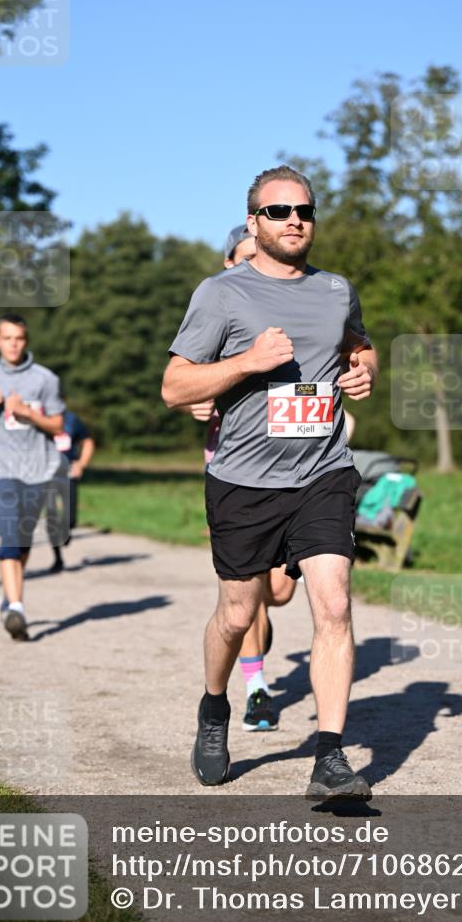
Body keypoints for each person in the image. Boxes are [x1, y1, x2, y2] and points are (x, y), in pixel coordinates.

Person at [162, 165, 378, 799]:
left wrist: (362, 372)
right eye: (279, 211)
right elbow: (175, 387)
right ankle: (213, 707)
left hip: (323, 469)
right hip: (243, 479)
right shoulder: (221, 293)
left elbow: (358, 346)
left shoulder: (336, 289)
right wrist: (248, 362)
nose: (294, 221)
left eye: (304, 212)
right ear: (253, 223)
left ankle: (330, 758)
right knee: (238, 612)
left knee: (333, 605)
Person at [191, 224, 296, 733]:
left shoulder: (291, 315)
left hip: (295, 473)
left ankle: (258, 637)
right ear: (230, 262)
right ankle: (255, 688)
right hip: (232, 471)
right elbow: (183, 382)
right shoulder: (214, 313)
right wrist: (198, 401)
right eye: (245, 256)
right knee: (247, 591)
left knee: (278, 593)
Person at [0, 314, 66, 640]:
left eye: (19, 338)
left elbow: (57, 425)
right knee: (9, 535)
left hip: (37, 469)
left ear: (26, 341)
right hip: (1, 469)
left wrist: (27, 413)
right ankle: (17, 608)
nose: (13, 344)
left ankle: (9, 598)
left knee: (22, 542)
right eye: (7, 338)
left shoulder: (45, 379)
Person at [45, 408, 96, 573]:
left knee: (70, 518)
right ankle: (57, 558)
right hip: (47, 475)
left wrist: (81, 463)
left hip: (68, 473)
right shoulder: (40, 417)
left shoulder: (72, 420)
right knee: (52, 515)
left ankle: (66, 530)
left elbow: (87, 441)